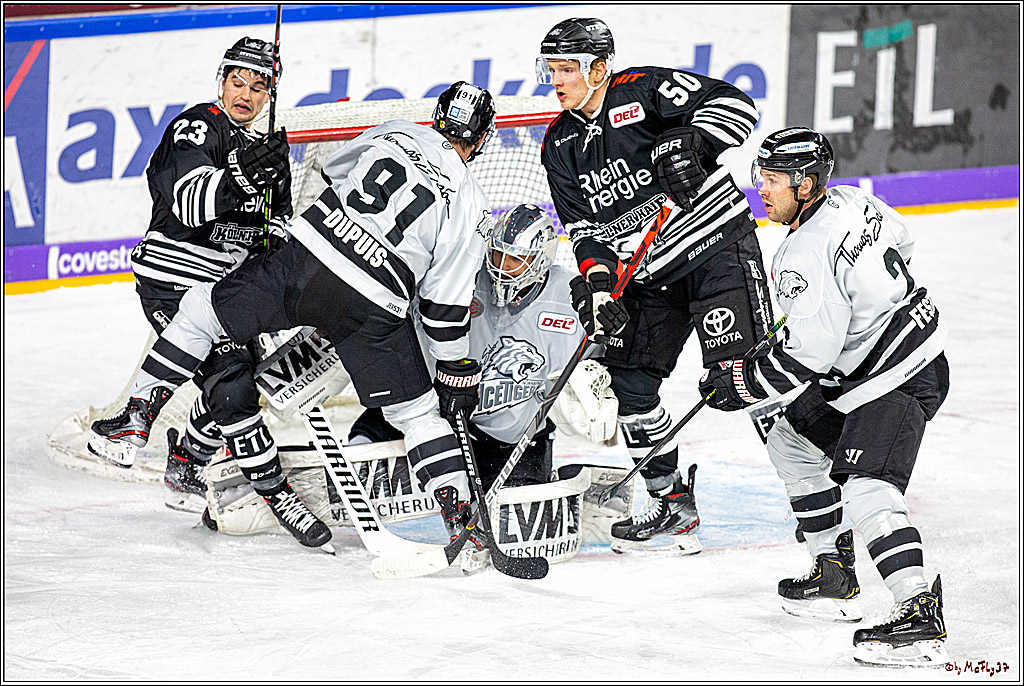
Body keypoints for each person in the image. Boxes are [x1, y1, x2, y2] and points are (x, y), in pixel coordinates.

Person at [89, 81, 498, 551]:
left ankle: (138, 415)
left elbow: (333, 172)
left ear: (437, 117)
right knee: (419, 414)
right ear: (482, 140)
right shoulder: (470, 203)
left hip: (308, 262)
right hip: (375, 304)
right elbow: (442, 309)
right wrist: (453, 369)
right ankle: (459, 515)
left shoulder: (396, 132)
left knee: (203, 312)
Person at [699, 127, 950, 666]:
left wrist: (739, 383)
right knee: (790, 439)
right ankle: (834, 573)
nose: (760, 191)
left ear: (806, 185)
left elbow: (804, 361)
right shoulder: (856, 200)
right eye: (760, 177)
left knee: (867, 486)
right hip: (875, 364)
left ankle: (918, 612)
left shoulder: (802, 253)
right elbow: (903, 242)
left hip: (899, 375)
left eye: (772, 181)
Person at [536, 18, 774, 553]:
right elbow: (584, 231)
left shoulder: (641, 91)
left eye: (567, 69)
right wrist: (597, 287)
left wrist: (690, 143)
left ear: (599, 69)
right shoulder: (560, 144)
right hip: (647, 278)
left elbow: (737, 105)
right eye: (550, 70)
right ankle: (671, 503)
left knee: (750, 383)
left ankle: (828, 486)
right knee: (630, 387)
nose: (557, 80)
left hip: (716, 254)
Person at [87, 36, 292, 515]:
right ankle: (270, 491)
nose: (245, 93)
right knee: (233, 389)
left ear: (270, 96)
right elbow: (188, 200)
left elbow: (271, 235)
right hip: (174, 276)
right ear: (221, 81)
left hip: (226, 293)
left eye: (258, 87)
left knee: (242, 383)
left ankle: (186, 460)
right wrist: (240, 176)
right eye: (236, 80)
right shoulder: (198, 126)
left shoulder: (267, 155)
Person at [347, 204, 618, 544]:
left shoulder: (571, 296)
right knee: (393, 411)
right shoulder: (467, 277)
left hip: (514, 441)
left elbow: (596, 364)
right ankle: (351, 461)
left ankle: (556, 481)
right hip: (451, 420)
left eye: (515, 259)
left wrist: (590, 383)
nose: (502, 268)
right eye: (497, 254)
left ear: (541, 258)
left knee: (515, 525)